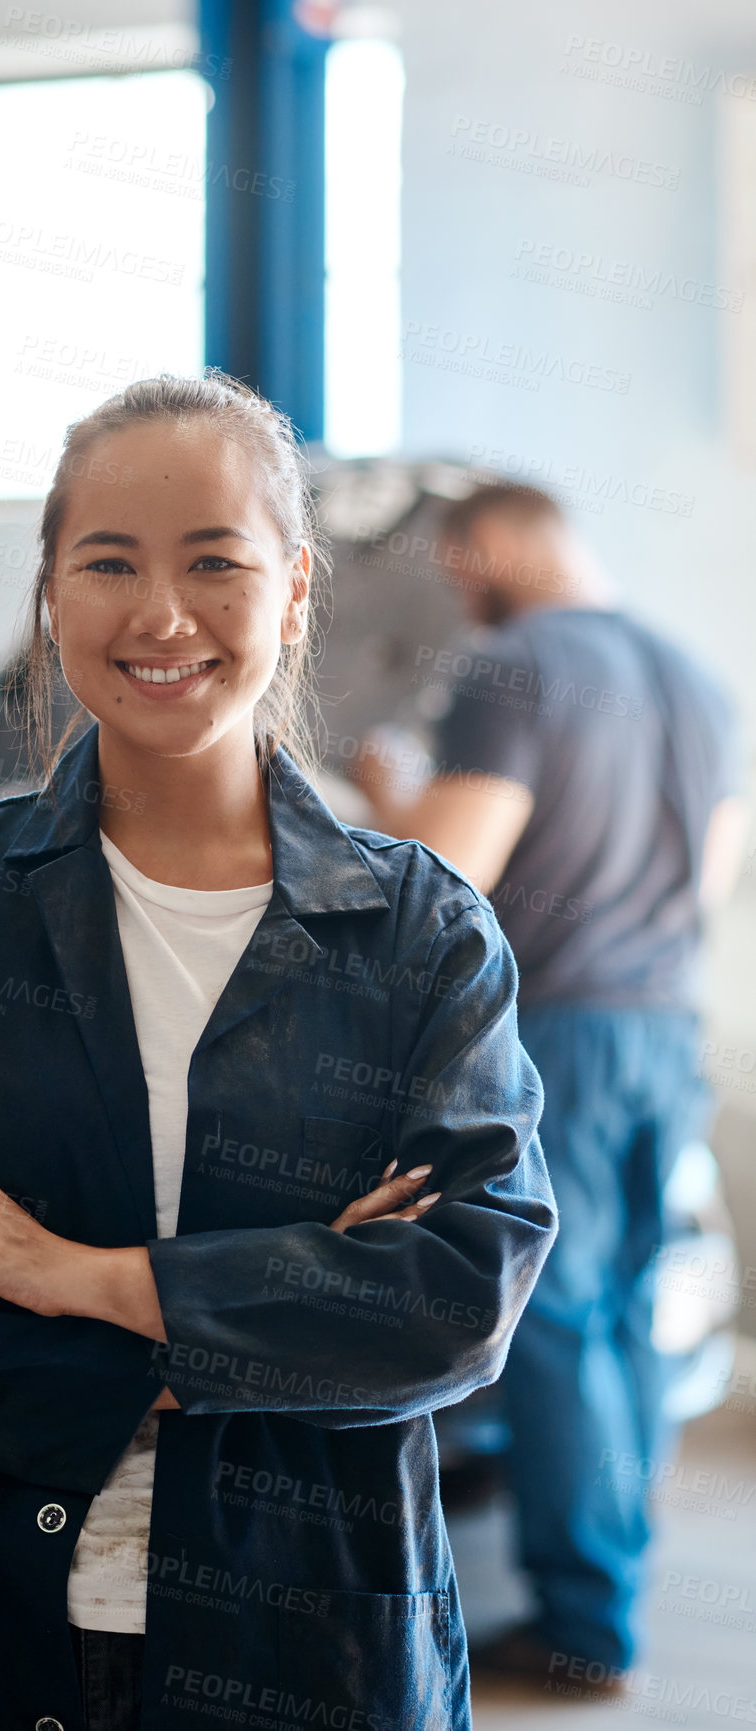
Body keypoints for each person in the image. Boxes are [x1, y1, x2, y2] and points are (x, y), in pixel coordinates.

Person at [0, 378, 556, 1731]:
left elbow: (449, 1295)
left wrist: (77, 1275)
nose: (160, 614)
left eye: (214, 561)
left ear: (295, 589)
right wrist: (281, 1299)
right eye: (109, 562)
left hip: (299, 1631)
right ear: (50, 596)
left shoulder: (418, 929)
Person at [349, 482, 745, 1688]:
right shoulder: (696, 677)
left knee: (556, 1318)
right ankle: (606, 1578)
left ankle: (580, 1627)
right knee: (621, 1309)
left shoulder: (514, 664)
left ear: (490, 544)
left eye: (457, 561)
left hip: (557, 1032)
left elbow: (450, 866)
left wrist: (379, 792)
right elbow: (715, 877)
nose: (458, 589)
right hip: (663, 1025)